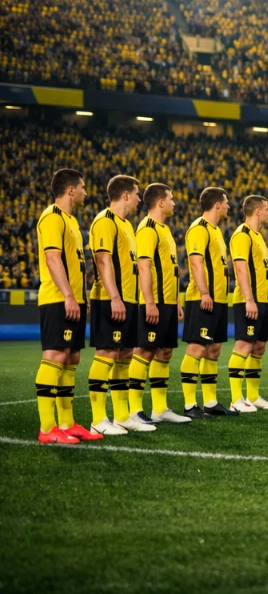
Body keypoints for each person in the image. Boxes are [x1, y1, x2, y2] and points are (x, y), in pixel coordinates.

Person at [34, 168, 101, 444]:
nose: (86, 191)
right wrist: (68, 296)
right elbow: (52, 259)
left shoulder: (71, 220)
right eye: (83, 187)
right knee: (55, 356)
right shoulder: (52, 217)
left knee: (71, 358)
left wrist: (80, 298)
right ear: (70, 190)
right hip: (57, 299)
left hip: (73, 300)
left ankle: (67, 423)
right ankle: (47, 428)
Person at [87, 175, 152, 433]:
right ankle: (97, 420)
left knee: (125, 354)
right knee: (106, 353)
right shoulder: (105, 221)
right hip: (111, 299)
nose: (139, 199)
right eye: (136, 194)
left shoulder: (126, 225)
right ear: (125, 195)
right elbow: (103, 262)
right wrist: (115, 297)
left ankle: (122, 416)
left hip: (129, 300)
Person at [130, 183, 190, 425]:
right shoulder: (147, 228)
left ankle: (160, 408)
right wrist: (149, 302)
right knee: (144, 350)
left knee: (164, 352)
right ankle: (133, 409)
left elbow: (169, 269)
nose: (175, 203)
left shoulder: (165, 229)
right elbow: (143, 266)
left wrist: (175, 301)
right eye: (171, 198)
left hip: (167, 301)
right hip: (153, 302)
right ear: (160, 202)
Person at [181, 187, 236, 418]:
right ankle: (189, 405)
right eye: (226, 202)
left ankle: (211, 402)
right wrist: (204, 292)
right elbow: (195, 262)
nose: (228, 206)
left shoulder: (216, 231)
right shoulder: (199, 228)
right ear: (216, 205)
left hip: (219, 299)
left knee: (213, 349)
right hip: (203, 298)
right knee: (197, 348)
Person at [228, 195, 268, 412]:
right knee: (244, 345)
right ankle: (235, 400)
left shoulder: (258, 236)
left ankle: (253, 395)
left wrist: (267, 299)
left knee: (258, 347)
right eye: (267, 209)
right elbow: (240, 269)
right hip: (247, 300)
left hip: (262, 301)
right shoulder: (242, 234)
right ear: (257, 211)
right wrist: (249, 299)